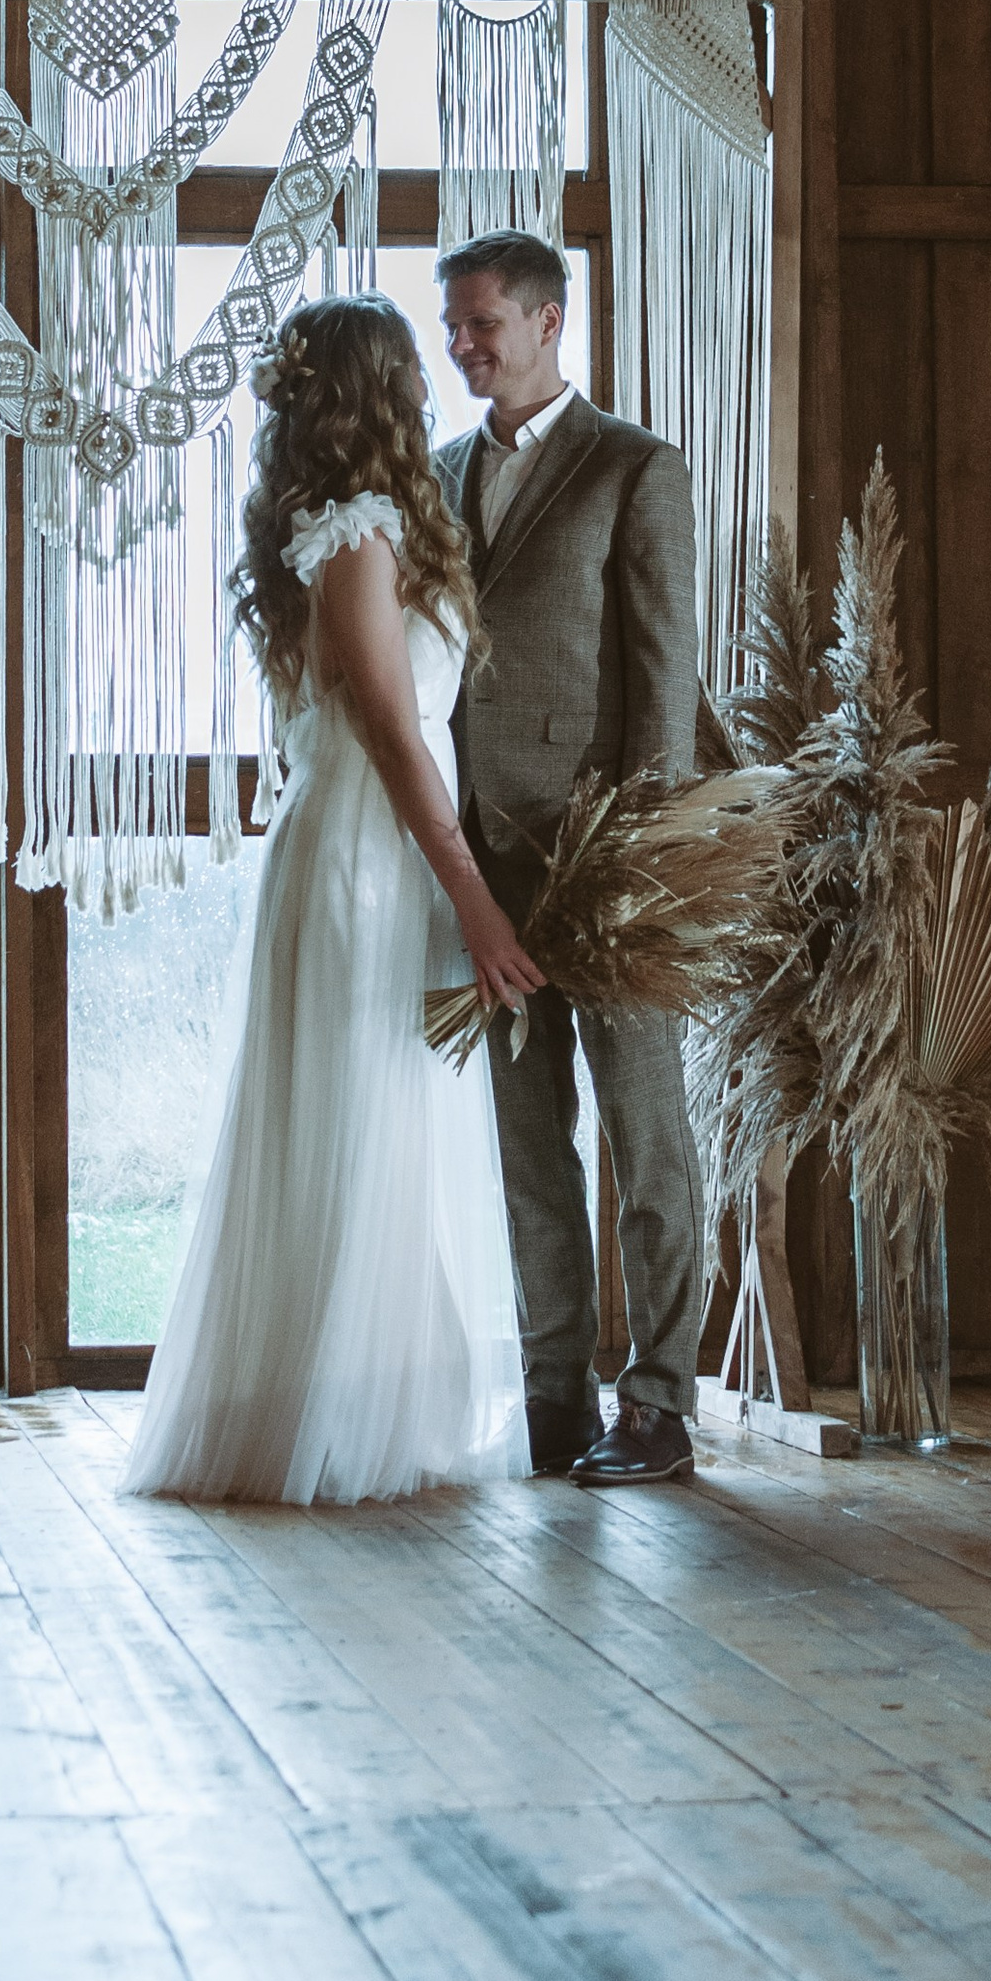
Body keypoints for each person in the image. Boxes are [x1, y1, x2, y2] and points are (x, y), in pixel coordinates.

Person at [123, 294, 540, 1506]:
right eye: (409, 364)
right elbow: (393, 733)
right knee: (360, 1107)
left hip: (379, 844)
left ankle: (380, 1399)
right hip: (369, 853)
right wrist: (472, 896)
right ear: (373, 388)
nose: (428, 379)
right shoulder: (355, 532)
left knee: (392, 1115)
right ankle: (328, 1416)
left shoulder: (366, 524)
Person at [436, 230, 705, 1485]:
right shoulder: (436, 475)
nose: (463, 344)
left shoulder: (633, 467)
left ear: (551, 321)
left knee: (646, 1133)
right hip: (480, 853)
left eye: (483, 322)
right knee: (527, 1142)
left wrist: (641, 852)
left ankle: (659, 1403)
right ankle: (556, 1398)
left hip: (602, 854)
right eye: (454, 324)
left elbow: (662, 677)